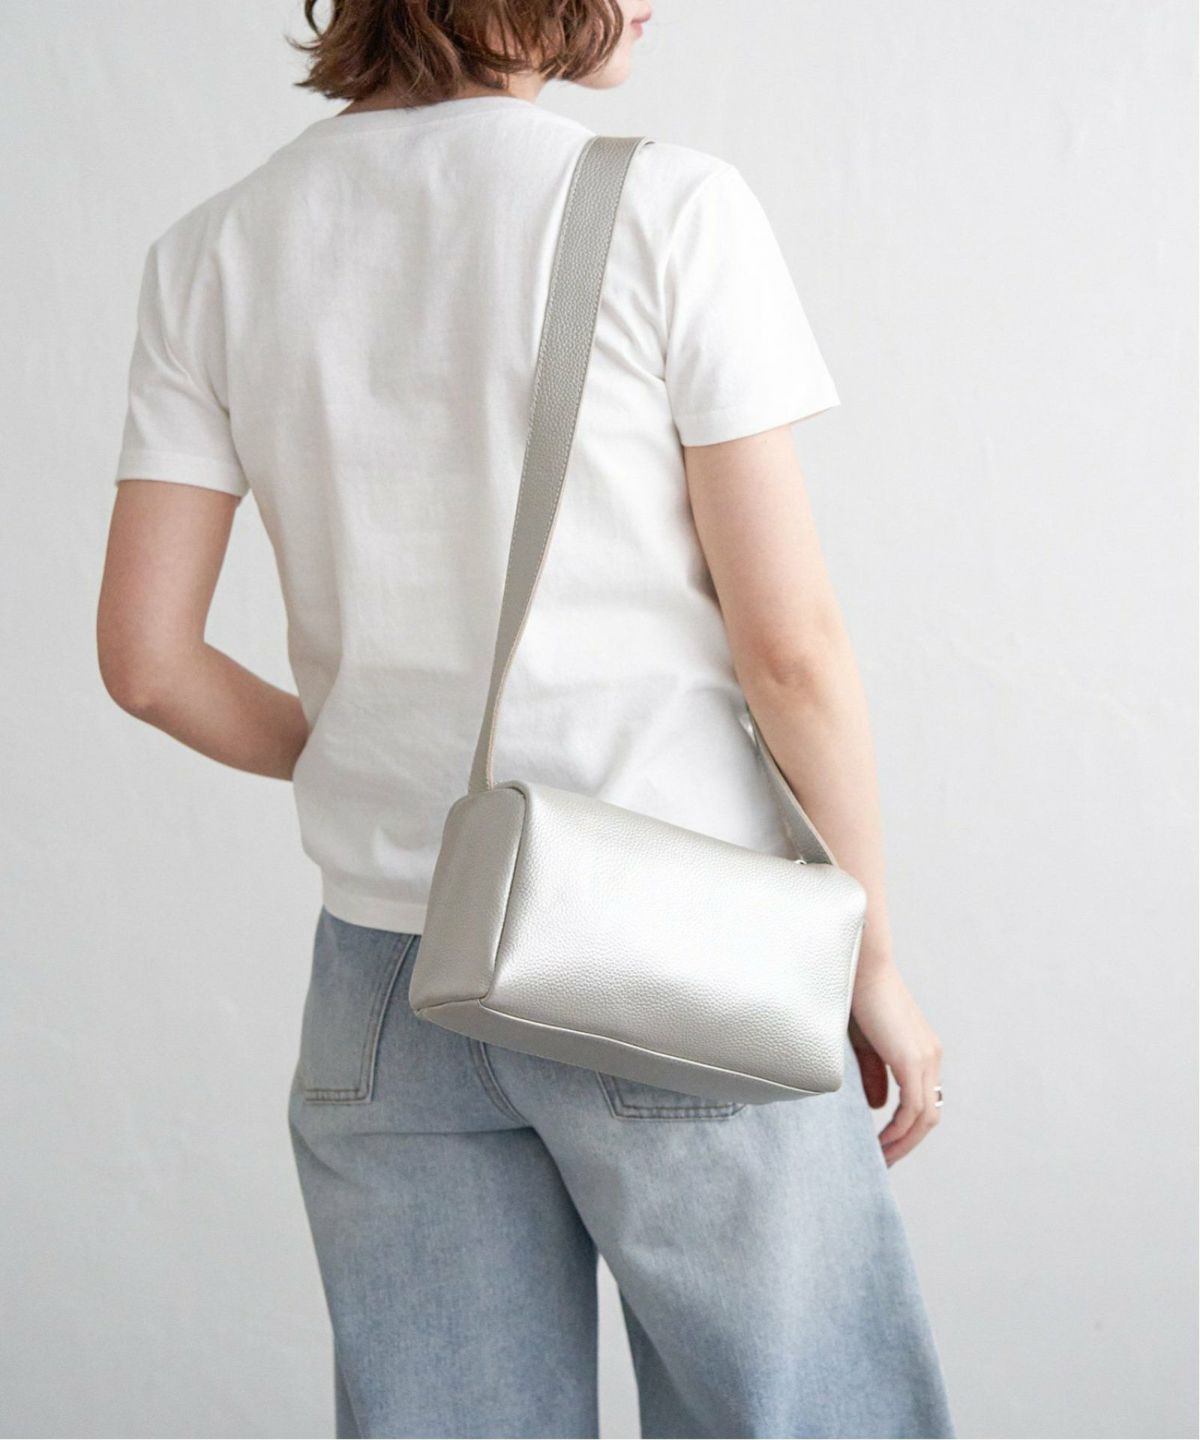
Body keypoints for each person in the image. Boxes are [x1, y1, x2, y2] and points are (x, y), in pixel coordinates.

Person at [96, 1, 954, 1435]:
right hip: (670, 948)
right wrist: (866, 956)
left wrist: (362, 752)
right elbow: (791, 649)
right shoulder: (669, 207)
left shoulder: (213, 249)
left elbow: (147, 661)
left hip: (384, 980)